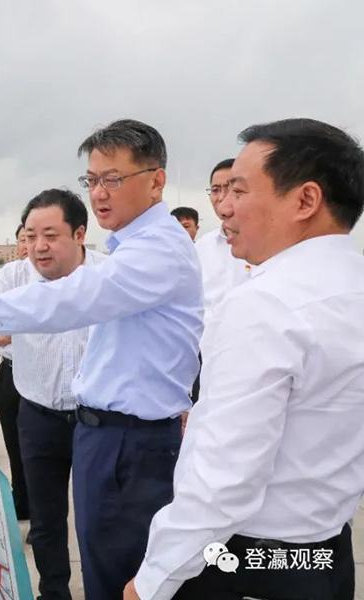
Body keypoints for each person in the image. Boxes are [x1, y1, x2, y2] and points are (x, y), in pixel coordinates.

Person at [0, 119, 203, 600]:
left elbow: (65, 301)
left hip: (130, 441)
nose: (100, 192)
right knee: (82, 546)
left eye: (113, 179)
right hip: (86, 428)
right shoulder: (125, 251)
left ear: (156, 181)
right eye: (92, 180)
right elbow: (6, 297)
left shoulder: (150, 254)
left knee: (120, 568)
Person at [125, 118, 364, 600]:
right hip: (327, 554)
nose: (225, 207)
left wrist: (151, 583)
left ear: (305, 200)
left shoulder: (267, 304)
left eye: (239, 190)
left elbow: (224, 481)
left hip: (248, 565)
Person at [0, 190, 105, 600]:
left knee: (99, 517)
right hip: (39, 415)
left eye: (50, 235)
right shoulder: (15, 276)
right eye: (31, 236)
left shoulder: (108, 275)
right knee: (46, 520)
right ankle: (53, 592)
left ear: (79, 234)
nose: (38, 246)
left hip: (98, 420)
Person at [0, 223, 30, 523]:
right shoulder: (9, 277)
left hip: (38, 379)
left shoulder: (60, 279)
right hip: (9, 372)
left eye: (36, 237)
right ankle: (21, 502)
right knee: (13, 445)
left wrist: (13, 334)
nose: (29, 245)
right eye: (24, 239)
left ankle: (40, 511)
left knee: (36, 450)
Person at [194, 159, 251, 326]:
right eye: (215, 190)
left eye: (230, 188)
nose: (221, 197)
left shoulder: (267, 245)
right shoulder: (201, 247)